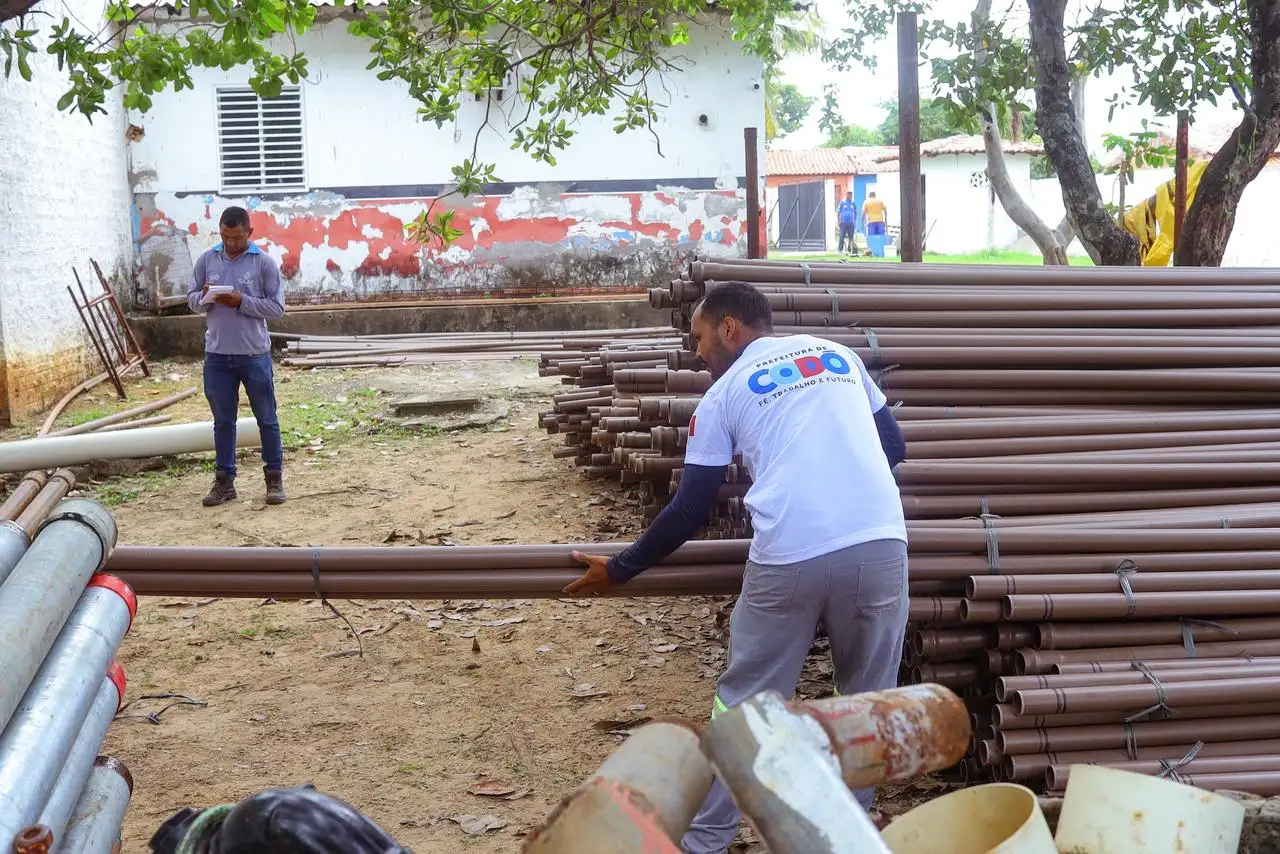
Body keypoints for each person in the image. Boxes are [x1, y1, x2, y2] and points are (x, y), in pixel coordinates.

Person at [564, 281, 908, 854]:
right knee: (863, 706)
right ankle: (845, 841)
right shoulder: (838, 355)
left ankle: (707, 841)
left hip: (789, 555)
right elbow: (893, 448)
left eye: (699, 338)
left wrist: (620, 569)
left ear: (730, 329)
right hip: (879, 544)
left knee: (745, 705)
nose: (697, 353)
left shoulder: (723, 397)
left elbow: (691, 507)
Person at [187, 206, 287, 507]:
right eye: (226, 237)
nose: (231, 243)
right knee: (223, 422)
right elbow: (191, 301)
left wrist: (241, 301)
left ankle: (274, 479)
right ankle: (225, 482)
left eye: (237, 237)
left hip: (254, 353)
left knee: (267, 420)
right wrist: (205, 297)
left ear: (250, 233)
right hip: (217, 354)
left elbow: (277, 308)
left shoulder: (264, 263)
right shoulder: (207, 259)